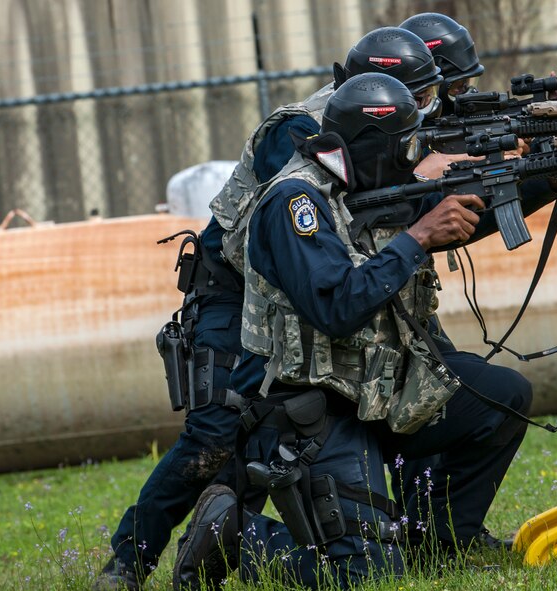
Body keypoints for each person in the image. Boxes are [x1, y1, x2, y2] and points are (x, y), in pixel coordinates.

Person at [172, 69, 557, 590]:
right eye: (405, 145)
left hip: (372, 387)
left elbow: (457, 213)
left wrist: (550, 174)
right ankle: (237, 536)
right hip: (313, 410)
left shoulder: (366, 183)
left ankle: (439, 546)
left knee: (500, 399)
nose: (415, 157)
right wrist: (415, 240)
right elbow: (337, 305)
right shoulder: (293, 202)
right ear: (372, 146)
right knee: (363, 578)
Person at [93, 26, 446, 591]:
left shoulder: (379, 128)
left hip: (290, 297)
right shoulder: (302, 130)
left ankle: (230, 532)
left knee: (264, 433)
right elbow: (339, 214)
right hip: (232, 294)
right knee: (214, 436)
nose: (421, 113)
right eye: (416, 99)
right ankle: (129, 563)